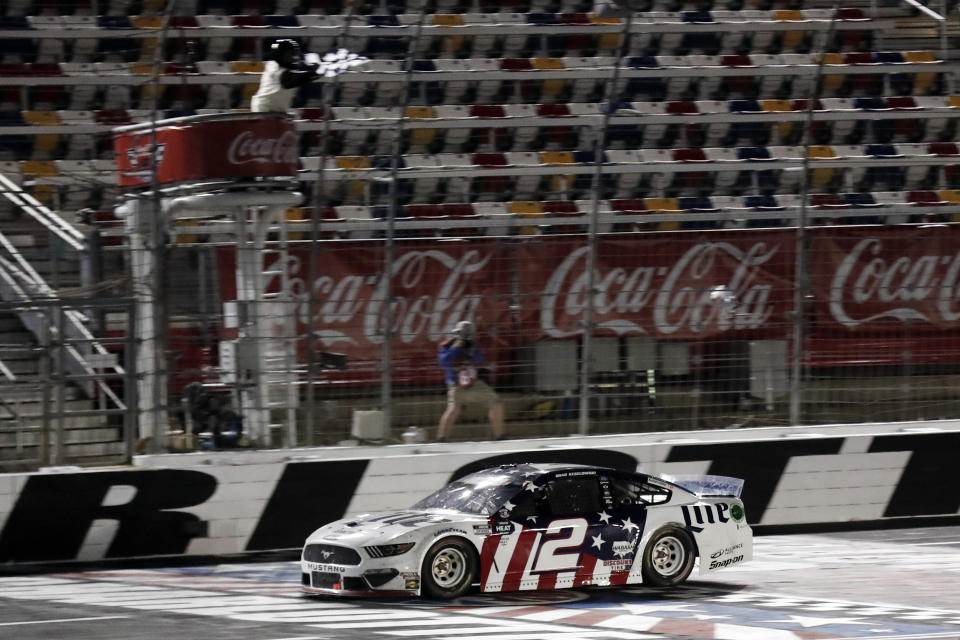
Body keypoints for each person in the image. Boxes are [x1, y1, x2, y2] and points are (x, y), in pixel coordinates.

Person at [436, 320, 506, 442]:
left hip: (473, 383)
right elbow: (444, 362)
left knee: (496, 403)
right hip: (456, 384)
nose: (463, 336)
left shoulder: (471, 344)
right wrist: (456, 347)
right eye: (462, 333)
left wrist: (469, 350)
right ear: (456, 333)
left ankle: (499, 436)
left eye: (466, 334)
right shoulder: (446, 345)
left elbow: (479, 358)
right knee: (453, 409)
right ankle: (441, 439)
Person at [251, 39, 320, 113]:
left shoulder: (288, 67)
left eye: (293, 53)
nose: (293, 57)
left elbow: (302, 73)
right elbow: (288, 82)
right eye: (289, 53)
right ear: (280, 54)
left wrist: (316, 69)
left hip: (279, 110)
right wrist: (314, 72)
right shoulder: (273, 66)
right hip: (264, 109)